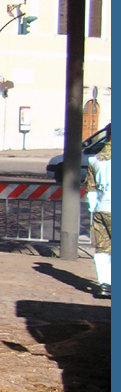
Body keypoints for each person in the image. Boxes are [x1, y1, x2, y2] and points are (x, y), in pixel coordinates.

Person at [85, 125, 111, 299]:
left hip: (101, 209)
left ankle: (105, 285)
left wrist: (93, 209)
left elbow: (91, 190)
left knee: (102, 248)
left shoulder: (95, 160)